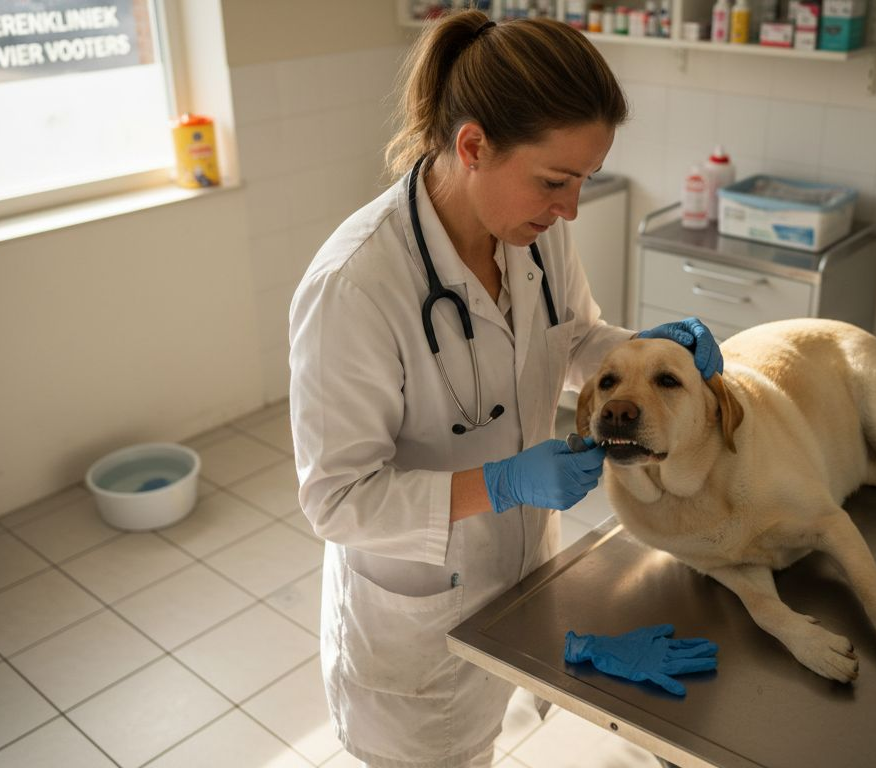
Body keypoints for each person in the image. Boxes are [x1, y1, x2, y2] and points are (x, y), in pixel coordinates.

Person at [288, 10, 721, 768]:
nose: (571, 209)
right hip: (417, 623)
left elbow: (576, 336)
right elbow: (336, 499)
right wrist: (502, 482)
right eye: (555, 181)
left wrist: (649, 355)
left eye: (582, 181)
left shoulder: (535, 227)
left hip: (521, 574)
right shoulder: (355, 287)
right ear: (473, 146)